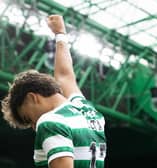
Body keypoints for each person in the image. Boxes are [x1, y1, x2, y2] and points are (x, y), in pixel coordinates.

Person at [1, 15, 106, 168]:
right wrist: (60, 34)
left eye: (28, 117)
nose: (33, 126)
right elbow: (65, 76)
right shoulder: (86, 110)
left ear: (32, 98)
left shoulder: (50, 121)